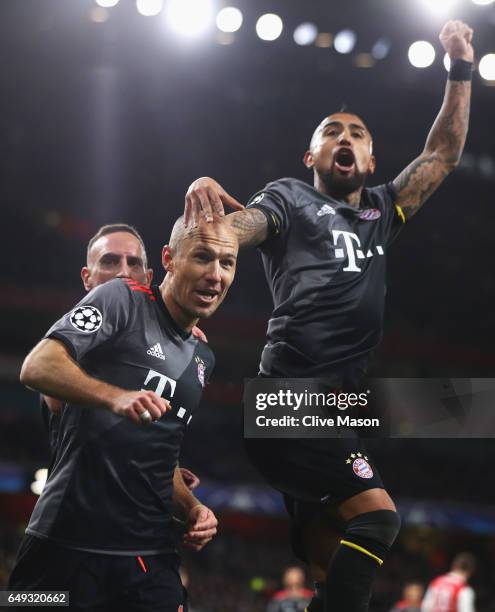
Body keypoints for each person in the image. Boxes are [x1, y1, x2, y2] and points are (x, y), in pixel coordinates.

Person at [184, 19, 473, 612]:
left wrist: (460, 68)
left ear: (371, 158)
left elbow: (442, 153)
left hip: (341, 403)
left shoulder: (384, 210)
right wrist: (211, 221)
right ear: (311, 153)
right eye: (332, 131)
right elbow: (239, 231)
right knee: (380, 520)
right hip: (287, 396)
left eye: (358, 133)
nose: (346, 137)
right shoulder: (290, 198)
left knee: (332, 564)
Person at [9, 216, 238, 611]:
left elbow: (161, 455)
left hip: (148, 558)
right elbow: (36, 368)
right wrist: (117, 397)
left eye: (227, 263)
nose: (215, 275)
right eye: (202, 257)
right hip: (63, 548)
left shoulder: (203, 356)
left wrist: (192, 508)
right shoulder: (118, 304)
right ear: (170, 261)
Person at [42, 222, 202, 491]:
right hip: (75, 514)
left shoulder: (175, 344)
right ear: (86, 277)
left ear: (149, 278)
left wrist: (165, 474)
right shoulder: (74, 337)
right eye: (110, 261)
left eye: (134, 263)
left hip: (138, 518)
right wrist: (118, 396)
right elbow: (45, 378)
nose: (123, 273)